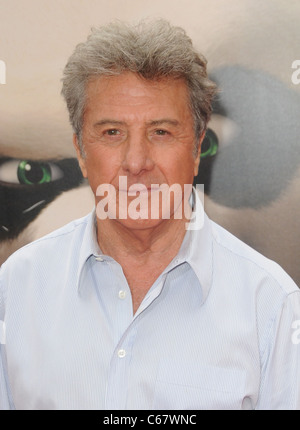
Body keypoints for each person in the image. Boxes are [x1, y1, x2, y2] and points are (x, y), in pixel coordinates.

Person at [0, 19, 299, 411]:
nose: (136, 162)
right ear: (81, 152)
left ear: (195, 150)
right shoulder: (16, 289)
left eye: (161, 132)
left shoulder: (271, 304)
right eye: (111, 133)